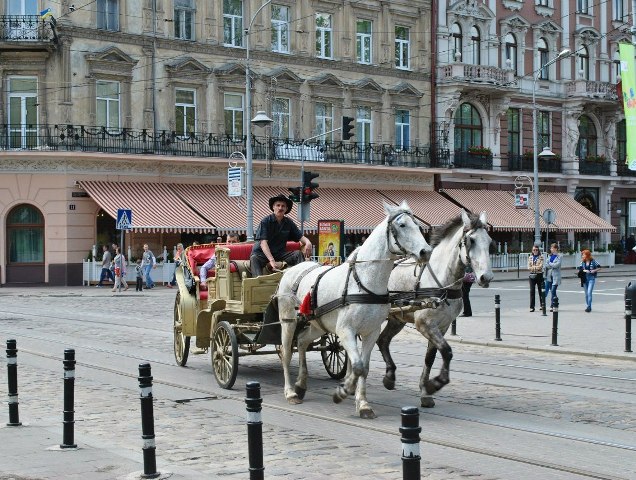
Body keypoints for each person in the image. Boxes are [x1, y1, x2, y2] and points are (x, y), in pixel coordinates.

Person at [249, 194, 312, 277]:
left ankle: (302, 278)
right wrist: (271, 260)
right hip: (262, 254)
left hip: (279, 253)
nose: (280, 208)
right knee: (254, 258)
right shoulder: (265, 221)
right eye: (278, 205)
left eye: (283, 206)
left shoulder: (289, 222)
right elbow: (263, 243)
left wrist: (308, 242)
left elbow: (300, 237)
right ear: (273, 207)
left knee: (298, 254)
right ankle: (257, 282)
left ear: (286, 209)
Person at [544, 243, 562, 312]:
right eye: (551, 248)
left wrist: (550, 264)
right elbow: (546, 265)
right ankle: (555, 303)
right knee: (547, 291)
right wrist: (551, 265)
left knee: (553, 290)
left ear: (556, 249)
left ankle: (553, 305)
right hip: (549, 276)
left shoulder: (559, 256)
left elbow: (557, 265)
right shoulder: (549, 256)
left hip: (555, 277)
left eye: (552, 248)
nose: (551, 249)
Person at [527, 245, 545, 312]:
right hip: (532, 276)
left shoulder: (541, 257)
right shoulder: (530, 257)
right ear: (532, 251)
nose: (535, 251)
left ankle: (542, 305)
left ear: (538, 251)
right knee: (532, 291)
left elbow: (540, 266)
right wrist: (535, 267)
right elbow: (528, 267)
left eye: (536, 250)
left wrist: (533, 267)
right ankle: (532, 307)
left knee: (540, 291)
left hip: (539, 275)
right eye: (534, 250)